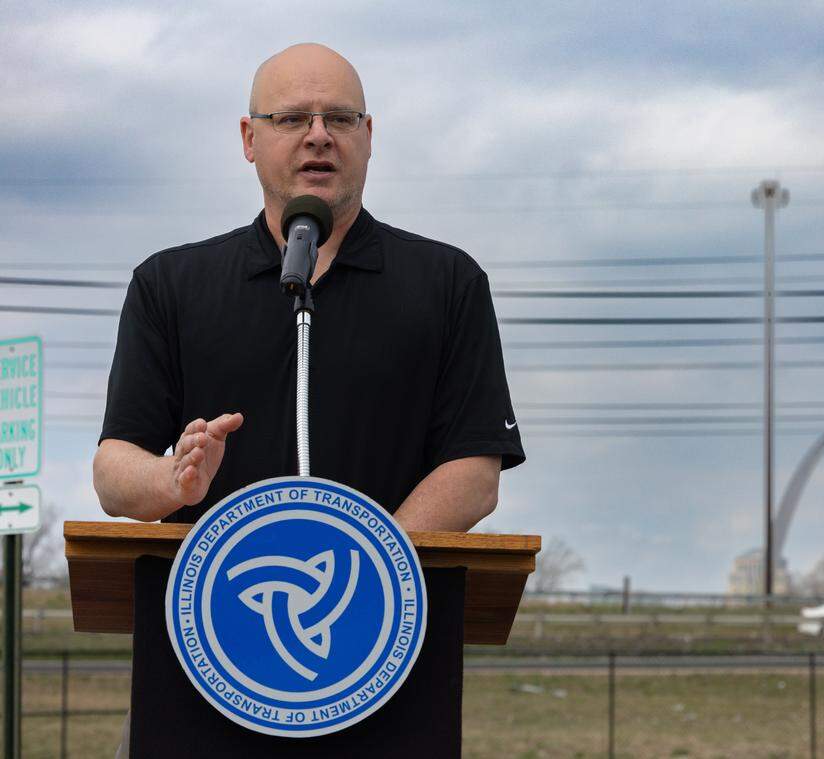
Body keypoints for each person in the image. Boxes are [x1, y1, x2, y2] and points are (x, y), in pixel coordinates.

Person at [93, 42, 525, 531]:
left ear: (368, 135)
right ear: (249, 138)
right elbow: (113, 473)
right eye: (292, 119)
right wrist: (173, 478)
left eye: (340, 119)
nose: (319, 136)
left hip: (396, 603)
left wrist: (367, 569)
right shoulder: (168, 284)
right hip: (212, 600)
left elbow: (475, 472)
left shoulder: (449, 282)